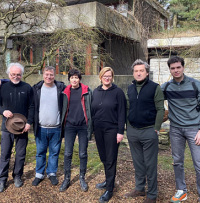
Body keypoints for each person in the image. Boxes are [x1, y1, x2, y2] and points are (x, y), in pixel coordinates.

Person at [161, 56, 200, 203]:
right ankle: (181, 190)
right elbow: (153, 97)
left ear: (183, 67)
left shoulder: (196, 85)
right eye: (173, 68)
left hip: (194, 129)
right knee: (177, 162)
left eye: (178, 67)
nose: (176, 70)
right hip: (175, 129)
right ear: (169, 69)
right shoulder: (167, 87)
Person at [124, 59, 165, 203]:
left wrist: (156, 128)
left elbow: (161, 109)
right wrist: (128, 127)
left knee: (150, 164)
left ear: (147, 72)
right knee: (138, 162)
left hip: (149, 131)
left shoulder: (155, 87)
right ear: (133, 73)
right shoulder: (130, 88)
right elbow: (128, 108)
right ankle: (140, 188)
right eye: (136, 71)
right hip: (133, 131)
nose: (138, 73)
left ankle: (152, 194)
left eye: (141, 70)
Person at [0, 63, 33, 192]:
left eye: (18, 74)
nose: (15, 77)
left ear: (21, 75)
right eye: (13, 74)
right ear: (9, 75)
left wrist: (29, 122)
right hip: (7, 127)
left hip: (22, 127)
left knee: (21, 154)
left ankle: (17, 176)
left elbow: (32, 107)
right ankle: (2, 179)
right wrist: (3, 111)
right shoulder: (3, 87)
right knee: (5, 154)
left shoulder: (27, 88)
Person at [91, 67, 126, 203]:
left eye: (109, 76)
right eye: (105, 76)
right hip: (98, 130)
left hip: (112, 130)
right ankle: (107, 180)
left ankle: (109, 189)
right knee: (104, 158)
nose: (107, 78)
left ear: (112, 77)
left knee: (111, 159)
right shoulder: (95, 91)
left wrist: (120, 132)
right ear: (100, 77)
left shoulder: (118, 92)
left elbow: (122, 113)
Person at [31, 66, 65, 186]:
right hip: (40, 128)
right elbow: (17, 83)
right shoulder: (36, 88)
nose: (48, 77)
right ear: (43, 75)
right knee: (40, 152)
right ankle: (39, 174)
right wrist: (1, 80)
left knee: (54, 153)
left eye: (51, 75)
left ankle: (51, 173)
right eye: (46, 74)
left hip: (56, 128)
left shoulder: (61, 88)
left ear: (54, 75)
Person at [59, 69, 92, 192]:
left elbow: (91, 109)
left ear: (79, 79)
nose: (74, 80)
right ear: (69, 79)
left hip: (83, 126)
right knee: (67, 153)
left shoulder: (87, 91)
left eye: (76, 78)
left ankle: (82, 177)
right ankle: (67, 178)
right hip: (69, 126)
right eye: (72, 77)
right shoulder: (65, 92)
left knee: (83, 153)